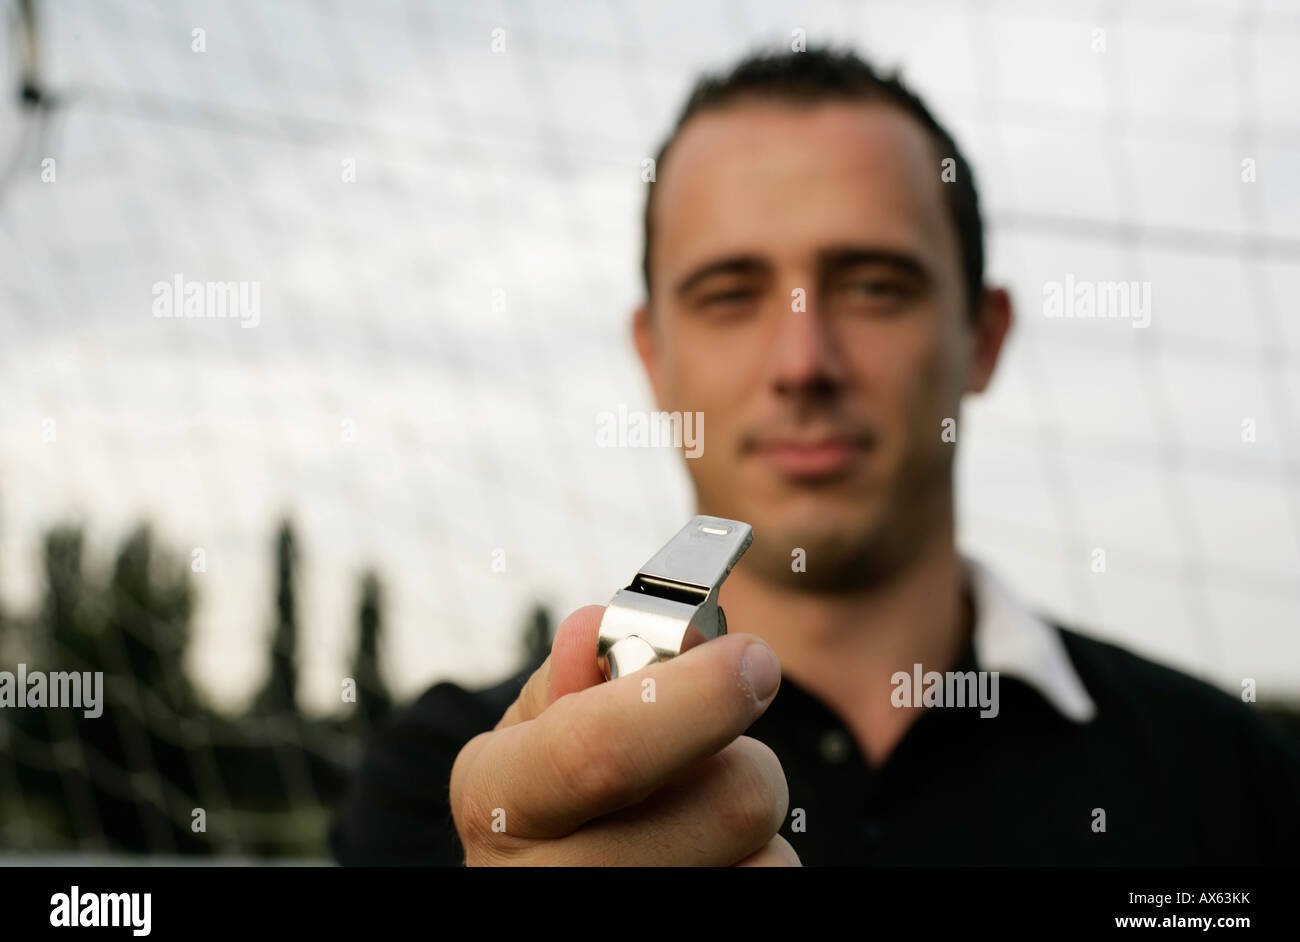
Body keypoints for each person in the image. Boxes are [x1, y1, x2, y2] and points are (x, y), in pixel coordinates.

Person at [331, 46, 1300, 866]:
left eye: (874, 285)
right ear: (651, 356)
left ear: (984, 336)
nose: (802, 362)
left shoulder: (1231, 777)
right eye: (729, 293)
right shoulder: (453, 787)